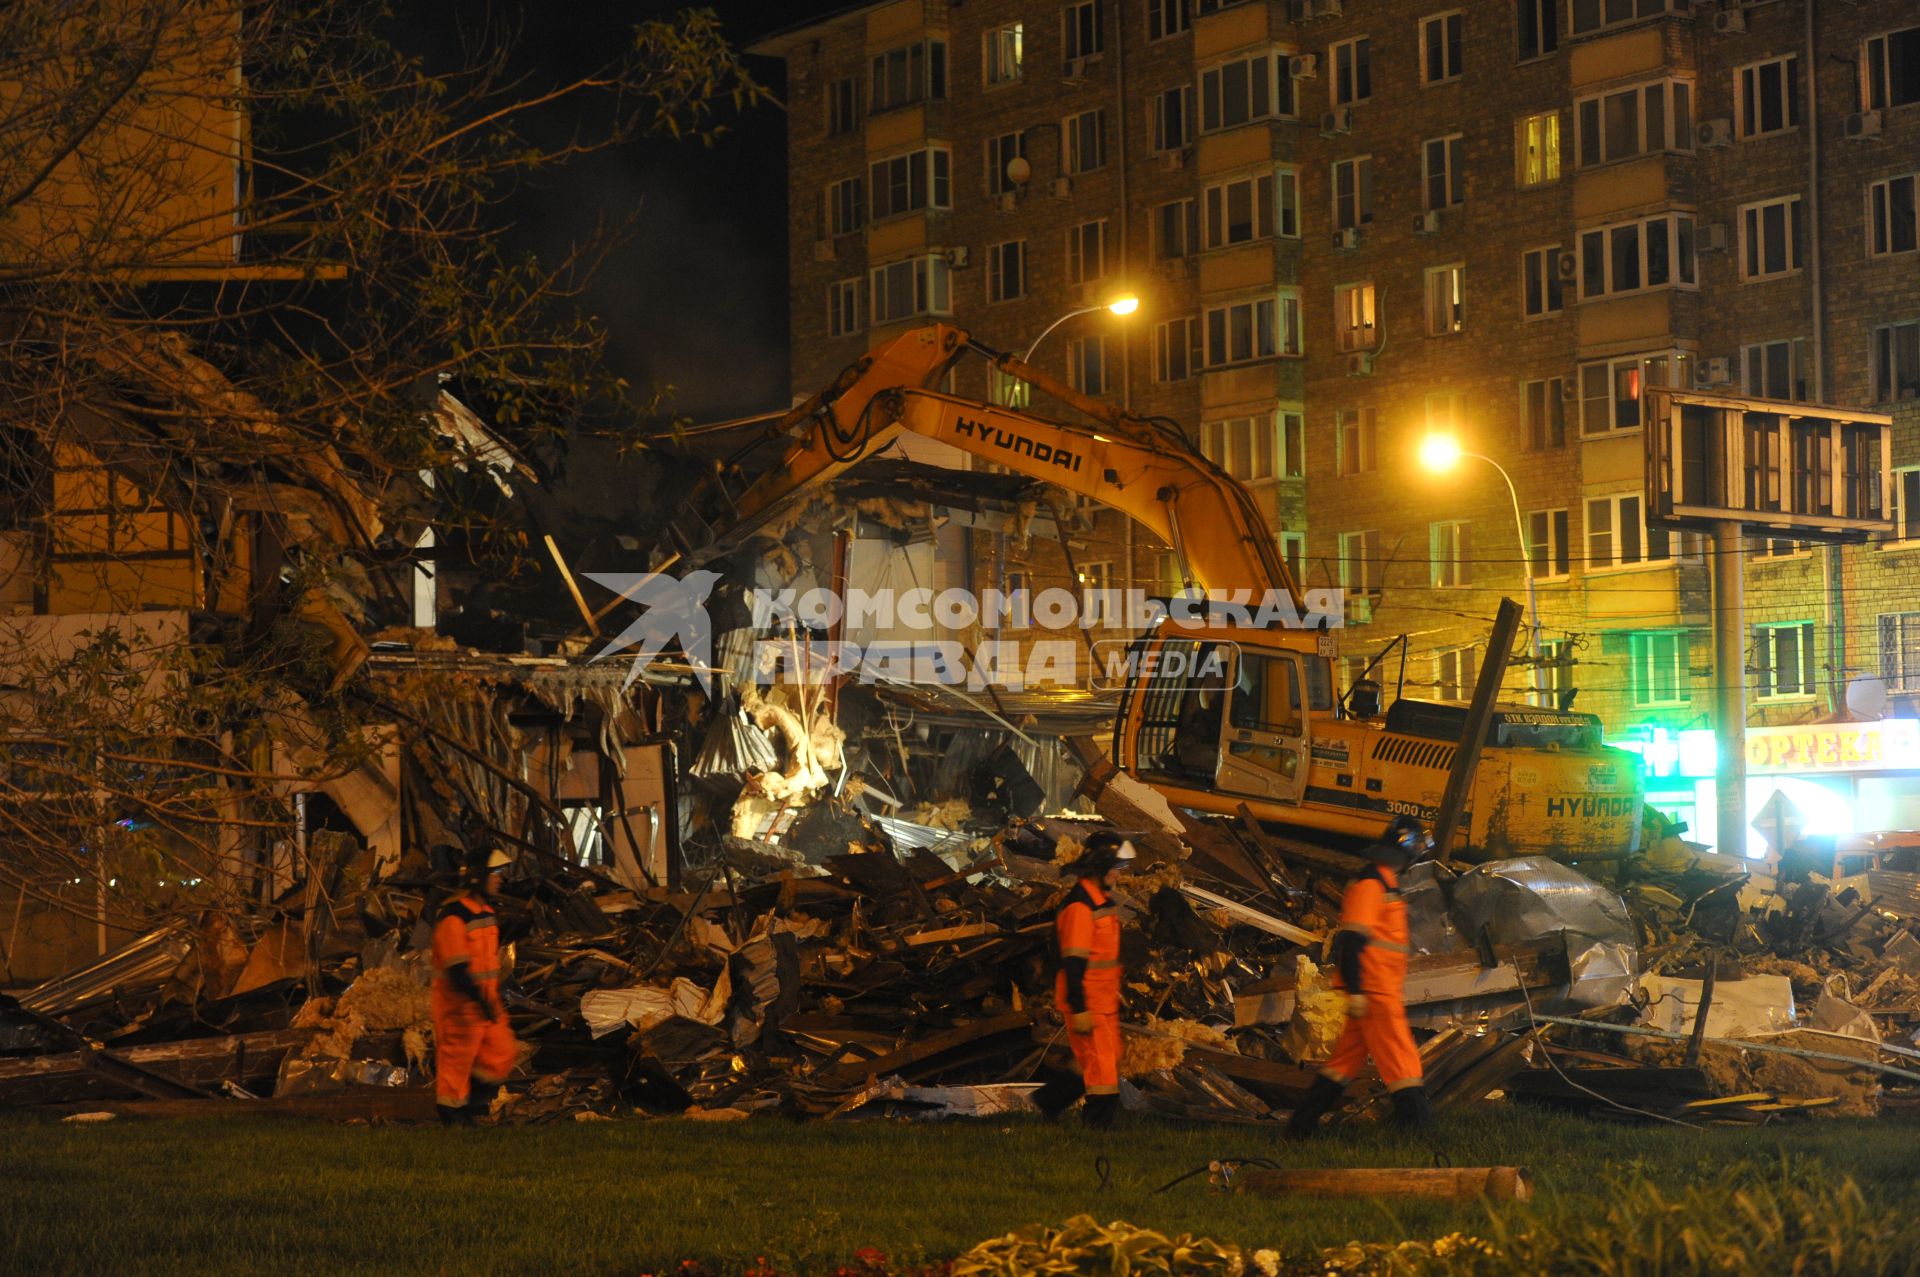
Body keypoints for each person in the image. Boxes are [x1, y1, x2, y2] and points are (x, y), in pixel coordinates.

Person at [1286, 815, 1436, 1138]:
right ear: (1407, 852)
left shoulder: (1382, 881)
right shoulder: (1372, 885)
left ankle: (1300, 1128)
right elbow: (1352, 941)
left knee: (1343, 1064)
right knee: (1403, 1062)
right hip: (1374, 992)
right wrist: (1356, 992)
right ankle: (1418, 1132)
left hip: (1373, 990)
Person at [1051, 830, 1136, 1129]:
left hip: (1102, 998)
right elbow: (1073, 963)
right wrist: (1080, 1007)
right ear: (1099, 866)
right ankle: (1098, 1127)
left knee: (1105, 1057)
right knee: (1101, 1066)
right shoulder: (1080, 907)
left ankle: (1049, 1103)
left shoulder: (1099, 901)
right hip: (1086, 1000)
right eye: (1115, 867)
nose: (1119, 874)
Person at [430, 843, 518, 1126]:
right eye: (496, 872)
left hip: (483, 1002)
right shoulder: (454, 916)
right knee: (456, 1062)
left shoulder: (484, 912)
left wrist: (489, 1001)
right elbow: (457, 969)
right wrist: (480, 1001)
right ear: (478, 875)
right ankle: (453, 1115)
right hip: (459, 1006)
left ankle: (472, 1106)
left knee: (501, 1052)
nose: (500, 878)